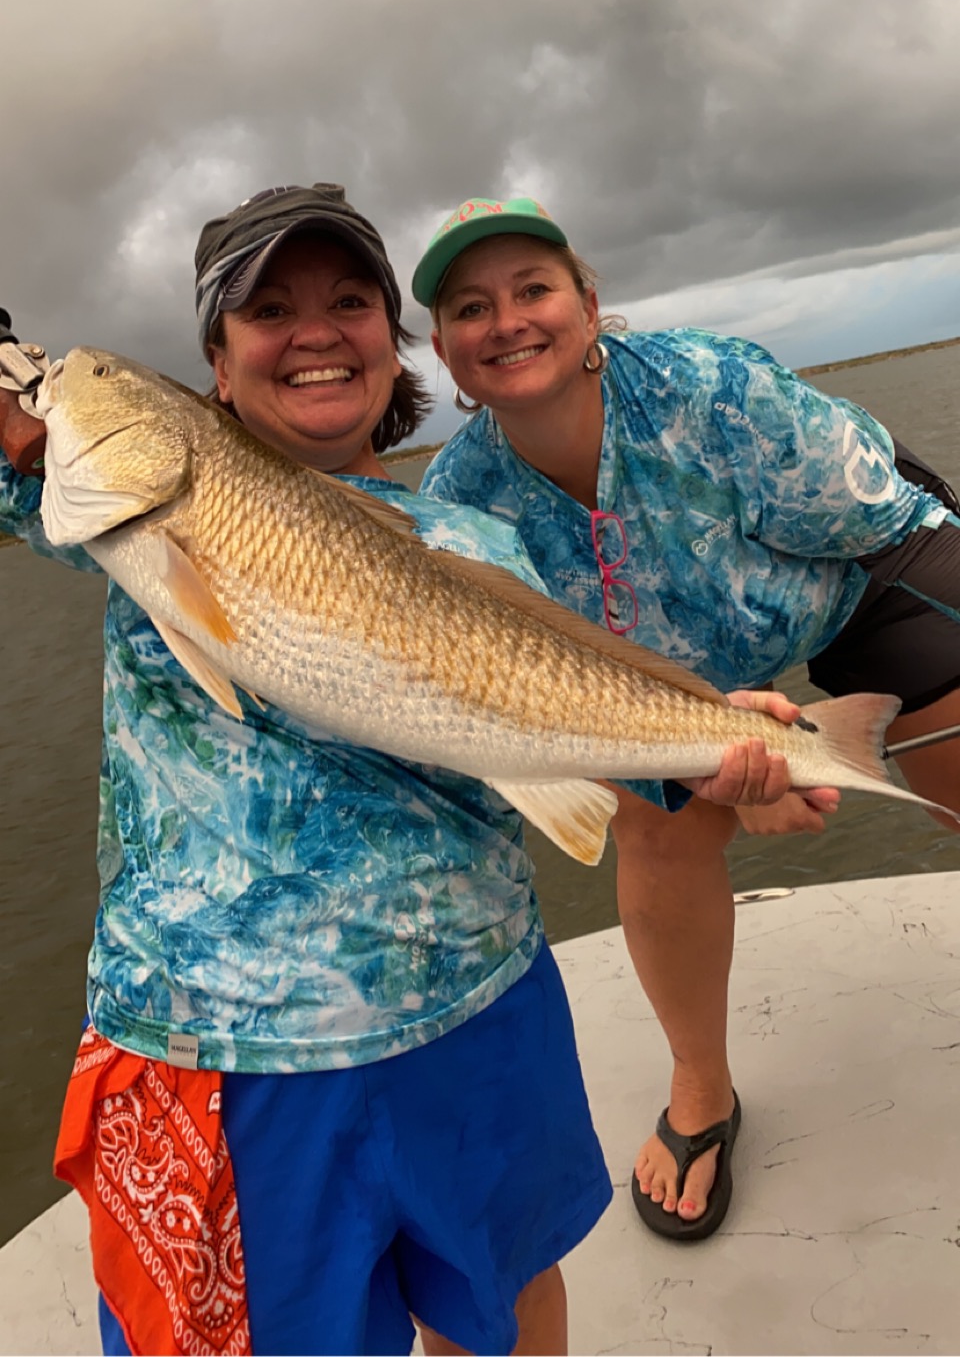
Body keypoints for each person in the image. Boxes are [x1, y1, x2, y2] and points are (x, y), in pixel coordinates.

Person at [0, 183, 800, 1357]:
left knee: (510, 1301)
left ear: (392, 340)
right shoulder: (99, 500)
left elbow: (576, 708)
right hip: (222, 1057)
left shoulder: (470, 535)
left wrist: (719, 749)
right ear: (214, 368)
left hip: (480, 1014)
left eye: (351, 301)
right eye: (268, 309)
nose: (316, 329)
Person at [412, 193, 960, 1244]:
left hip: (848, 577)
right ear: (444, 348)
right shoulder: (460, 502)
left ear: (588, 303)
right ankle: (702, 1088)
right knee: (656, 830)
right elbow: (538, 685)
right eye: (472, 307)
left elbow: (903, 533)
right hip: (658, 680)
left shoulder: (713, 390)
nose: (508, 320)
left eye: (534, 288)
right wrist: (727, 758)